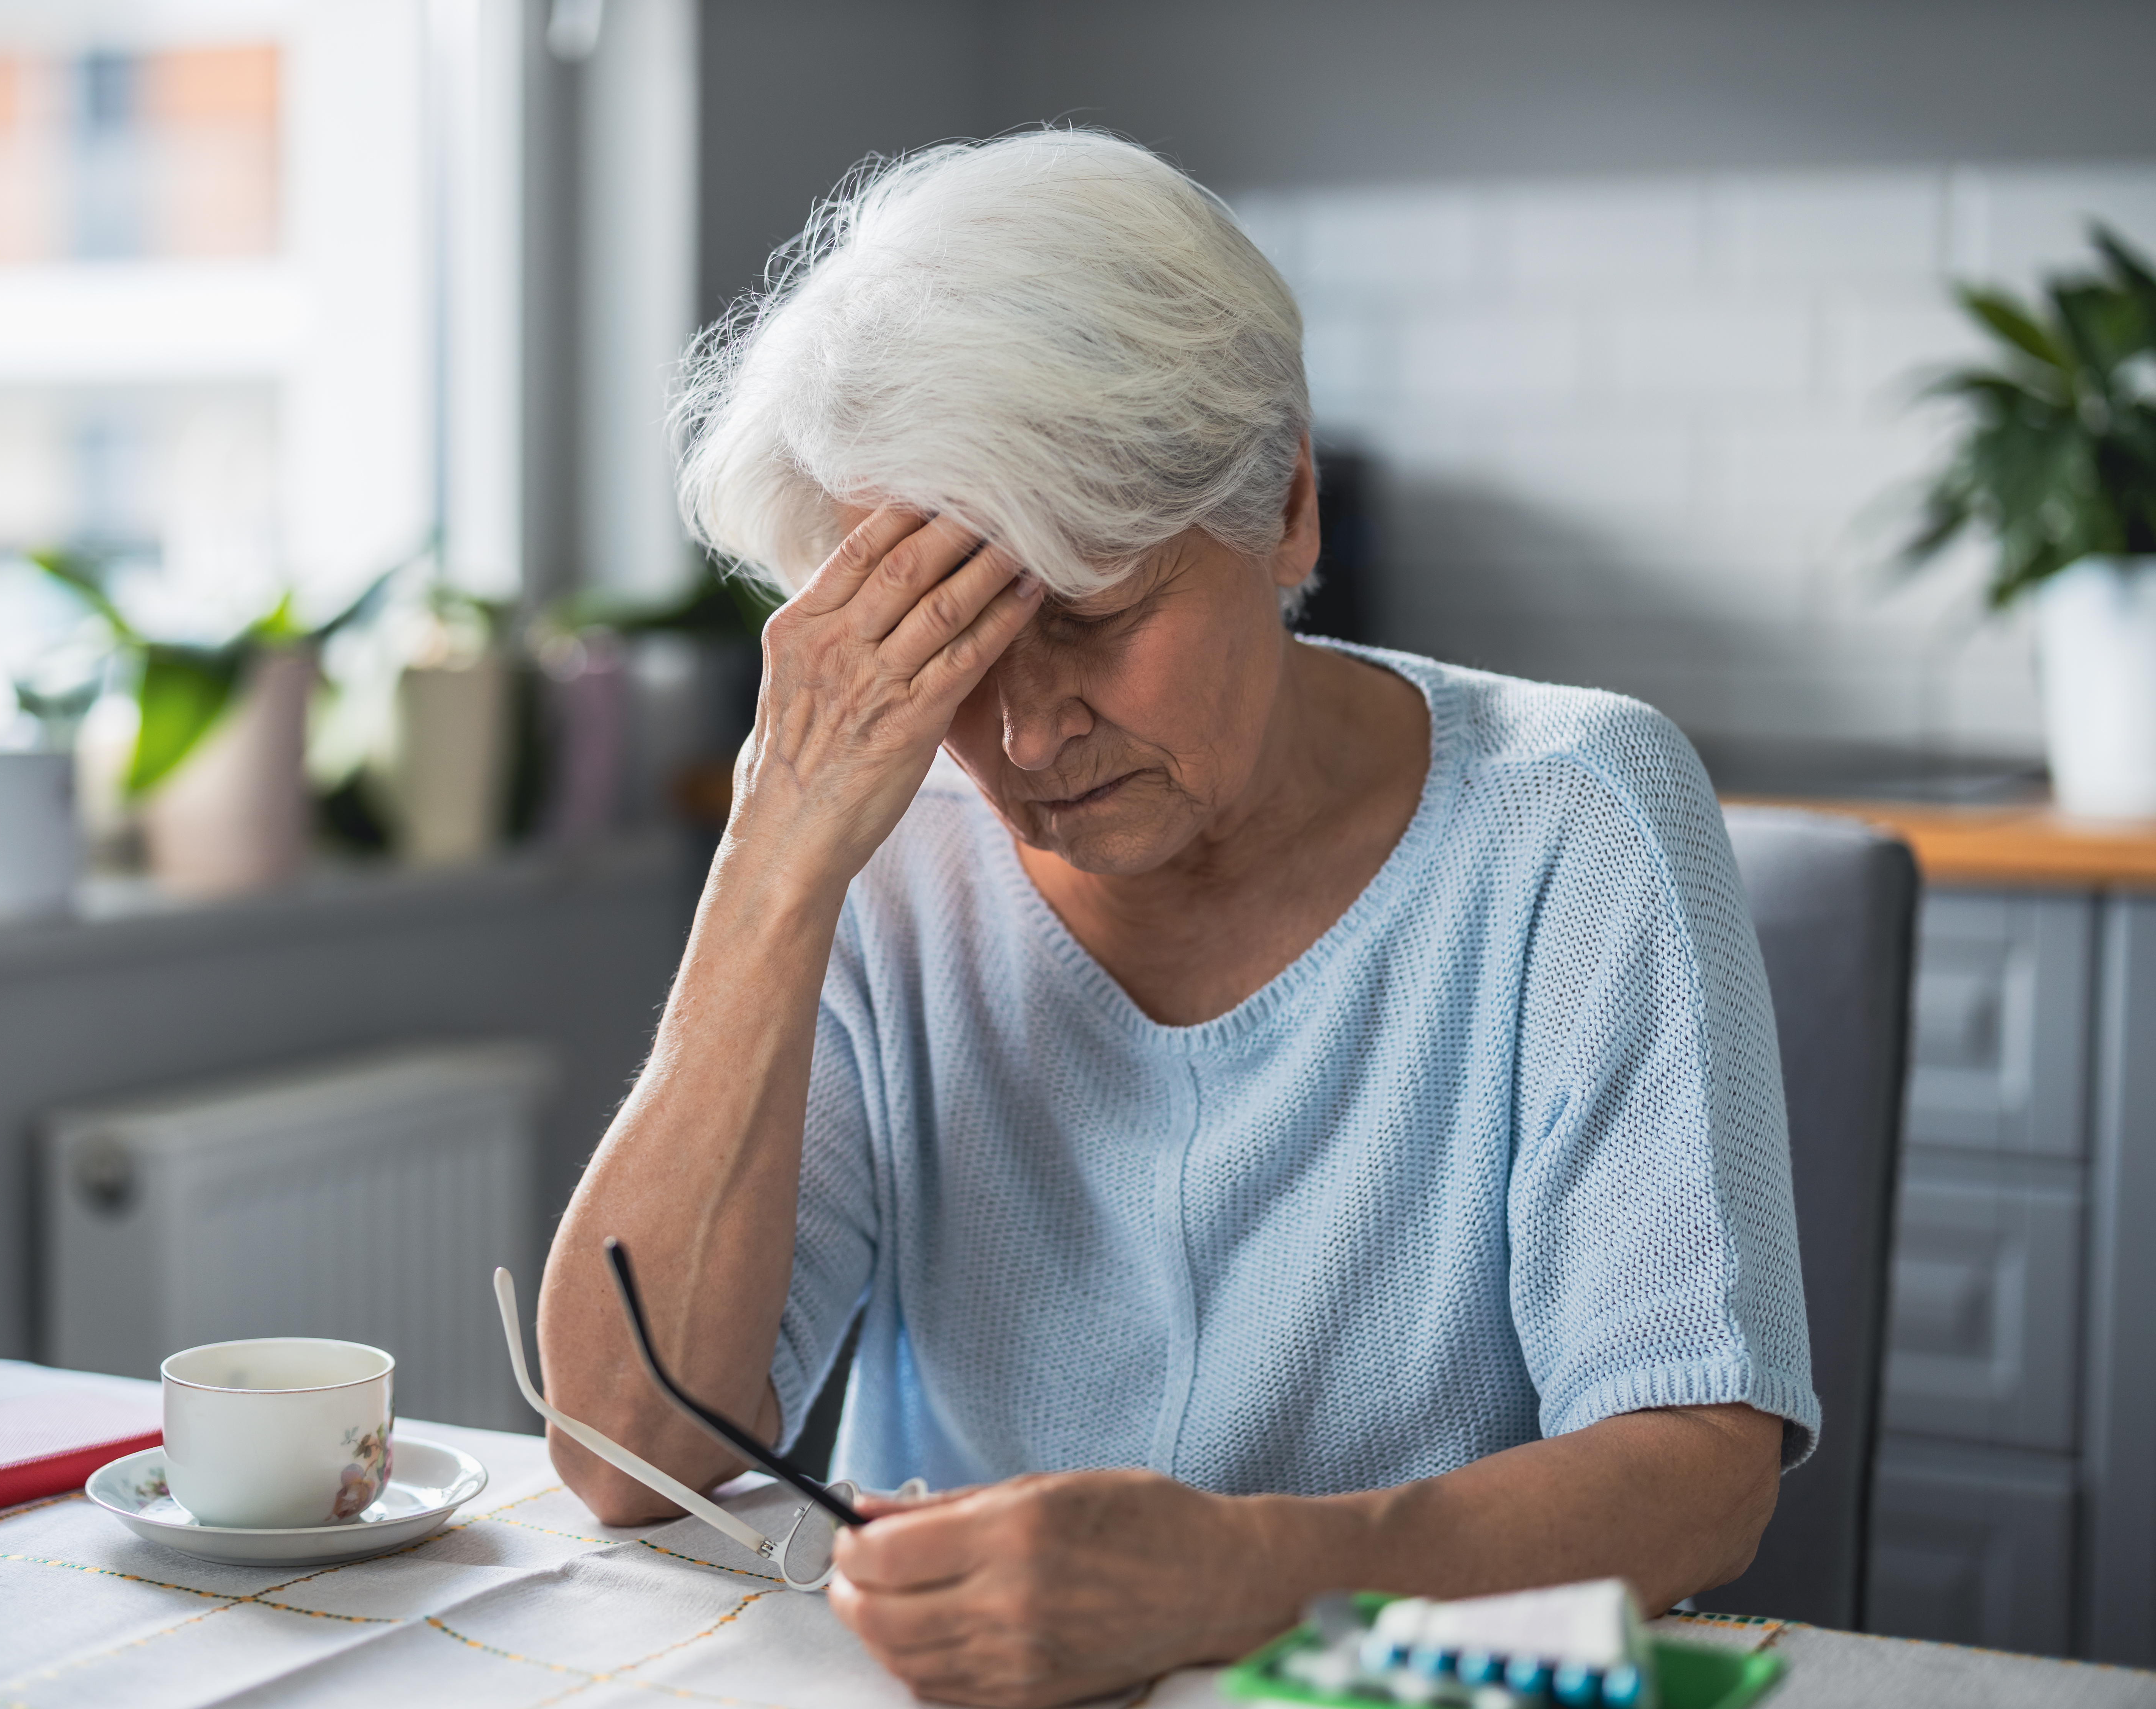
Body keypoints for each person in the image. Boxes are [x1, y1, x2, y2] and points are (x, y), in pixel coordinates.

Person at [536, 130, 1815, 1709]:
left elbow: (1702, 1474)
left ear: (1285, 511)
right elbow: (619, 1456)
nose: (1024, 737)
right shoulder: (878, 835)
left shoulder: (1580, 819)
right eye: (951, 656)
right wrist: (774, 861)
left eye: (1088, 619)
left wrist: (1233, 1577)